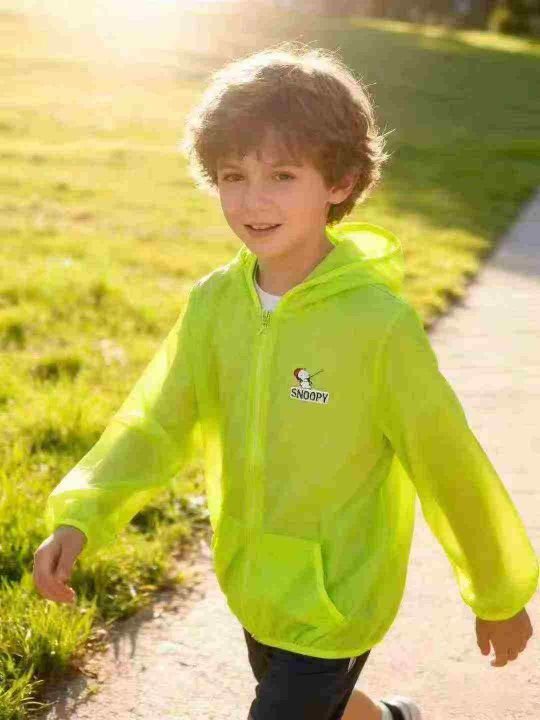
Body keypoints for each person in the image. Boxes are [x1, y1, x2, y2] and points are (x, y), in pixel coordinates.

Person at [34, 42, 537, 720]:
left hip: (338, 595)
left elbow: (448, 462)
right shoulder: (215, 304)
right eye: (233, 175)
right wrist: (82, 515)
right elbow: (155, 420)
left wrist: (497, 592)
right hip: (256, 580)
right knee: (318, 702)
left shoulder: (377, 326)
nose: (253, 200)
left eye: (282, 175)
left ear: (340, 183)